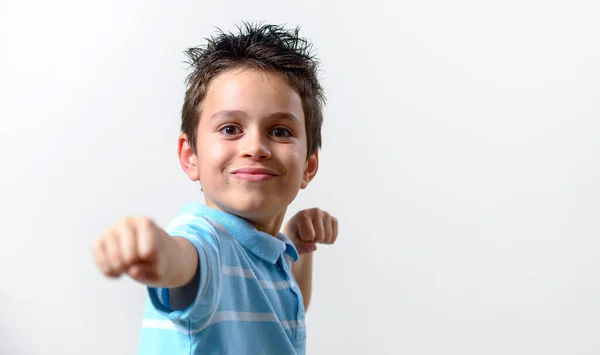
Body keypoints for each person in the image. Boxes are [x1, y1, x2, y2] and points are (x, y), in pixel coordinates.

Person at [92, 22, 339, 355]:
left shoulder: (264, 252)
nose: (256, 146)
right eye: (230, 128)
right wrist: (154, 249)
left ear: (309, 166)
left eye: (280, 131)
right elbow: (183, 260)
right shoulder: (203, 239)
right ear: (190, 156)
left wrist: (298, 247)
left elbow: (285, 313)